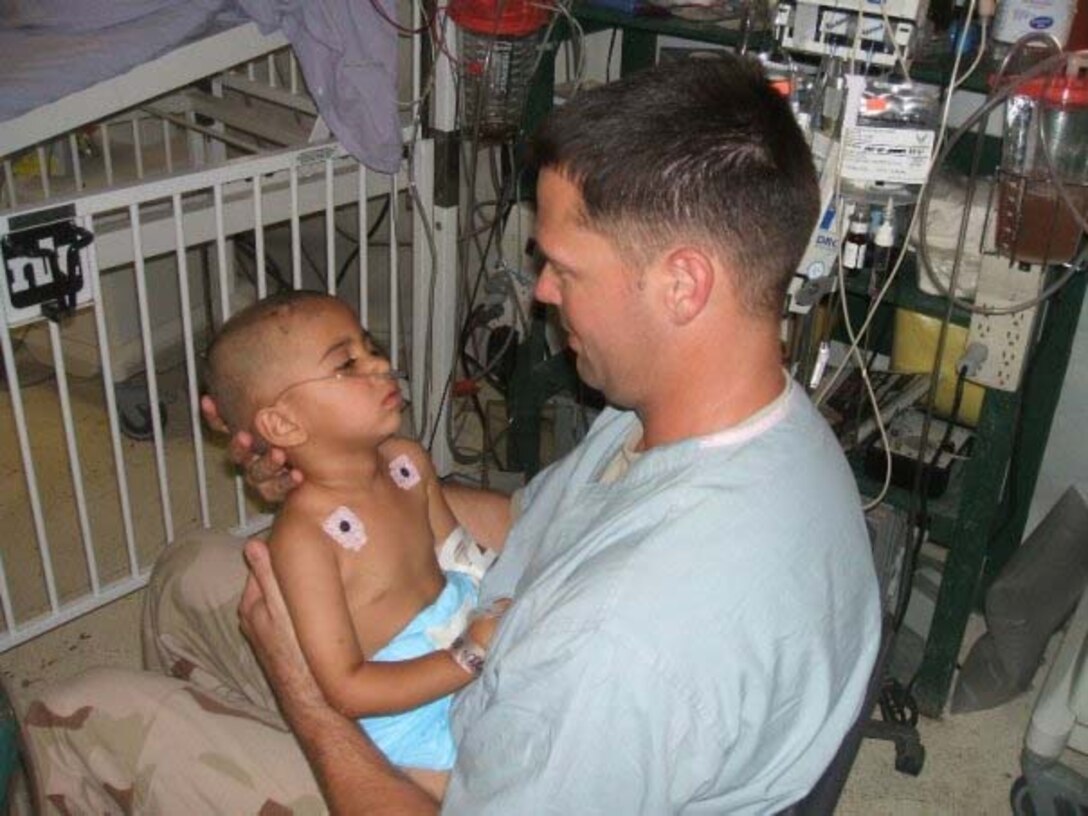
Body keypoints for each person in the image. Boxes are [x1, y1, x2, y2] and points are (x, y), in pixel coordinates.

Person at [20, 54, 880, 814]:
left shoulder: (623, 648)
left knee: (78, 716)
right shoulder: (732, 420)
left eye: (563, 268)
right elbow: (534, 525)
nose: (539, 292)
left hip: (460, 763)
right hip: (483, 685)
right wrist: (347, 479)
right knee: (189, 572)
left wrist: (309, 699)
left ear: (683, 284)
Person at [201, 290, 504, 799]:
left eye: (370, 346)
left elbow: (459, 554)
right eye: (347, 363)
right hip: (401, 714)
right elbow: (344, 688)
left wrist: (495, 602)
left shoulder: (408, 462)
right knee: (482, 795)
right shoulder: (303, 539)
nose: (380, 363)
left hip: (462, 625)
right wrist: (464, 658)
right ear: (282, 424)